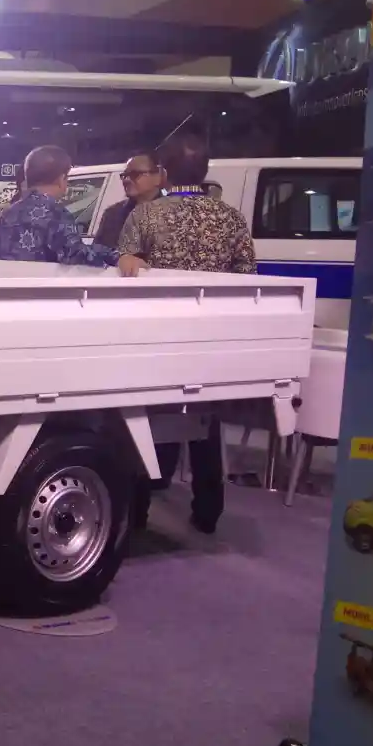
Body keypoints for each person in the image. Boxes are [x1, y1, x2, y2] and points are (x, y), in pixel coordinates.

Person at [117, 132, 256, 535]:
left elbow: (125, 271)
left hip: (158, 338)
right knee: (204, 423)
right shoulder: (231, 218)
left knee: (147, 421)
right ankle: (208, 511)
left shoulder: (145, 216)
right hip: (210, 340)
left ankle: (137, 512)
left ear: (163, 173)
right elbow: (247, 277)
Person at [0, 145, 118, 266]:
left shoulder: (2, 216)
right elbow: (75, 254)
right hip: (38, 290)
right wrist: (115, 256)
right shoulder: (56, 214)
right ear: (62, 179)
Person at [93, 152, 165, 248]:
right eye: (125, 175)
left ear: (158, 177)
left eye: (135, 174)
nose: (126, 180)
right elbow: (98, 252)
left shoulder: (173, 214)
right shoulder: (112, 215)